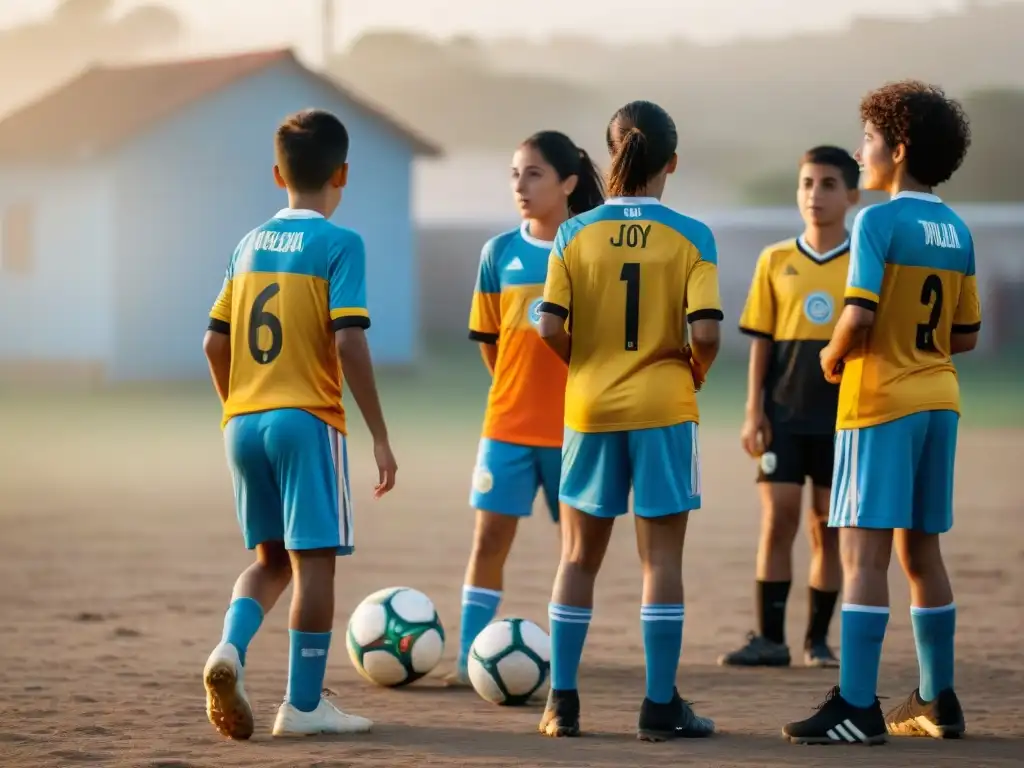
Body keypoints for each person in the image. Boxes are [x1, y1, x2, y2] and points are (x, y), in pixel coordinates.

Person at [783, 80, 978, 745]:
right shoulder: (956, 228)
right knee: (923, 550)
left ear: (898, 148)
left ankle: (858, 707)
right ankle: (936, 696)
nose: (862, 150)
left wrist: (831, 358)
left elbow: (859, 313)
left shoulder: (876, 220)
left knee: (863, 553)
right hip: (939, 401)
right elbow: (965, 335)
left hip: (881, 402)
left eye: (868, 138)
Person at [201, 109, 397, 740]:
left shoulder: (248, 243)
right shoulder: (342, 244)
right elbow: (348, 342)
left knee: (269, 560)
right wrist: (380, 434)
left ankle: (229, 649)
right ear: (342, 173)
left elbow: (213, 343)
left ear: (276, 173)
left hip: (243, 420)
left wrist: (238, 405)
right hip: (305, 420)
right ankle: (304, 705)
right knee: (315, 565)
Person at [535, 100, 722, 742]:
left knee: (578, 557)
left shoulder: (572, 233)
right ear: (671, 160)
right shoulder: (693, 235)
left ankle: (562, 704)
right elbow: (707, 332)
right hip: (665, 409)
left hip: (589, 408)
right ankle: (659, 706)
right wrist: (691, 371)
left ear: (610, 153)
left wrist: (585, 365)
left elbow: (549, 326)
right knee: (660, 558)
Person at [449, 132, 605, 685]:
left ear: (567, 183)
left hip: (576, 430)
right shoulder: (498, 253)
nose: (521, 185)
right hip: (508, 428)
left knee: (576, 549)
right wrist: (518, 392)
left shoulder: (590, 249)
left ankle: (564, 658)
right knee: (488, 541)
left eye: (534, 174)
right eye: (515, 173)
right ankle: (471, 655)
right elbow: (491, 343)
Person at [721, 146, 860, 669]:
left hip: (841, 419)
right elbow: (761, 342)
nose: (814, 195)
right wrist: (753, 410)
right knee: (777, 520)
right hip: (783, 414)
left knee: (826, 527)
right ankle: (770, 639)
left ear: (851, 195)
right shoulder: (775, 260)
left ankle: (818, 641)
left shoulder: (864, 262)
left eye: (827, 185)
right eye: (806, 184)